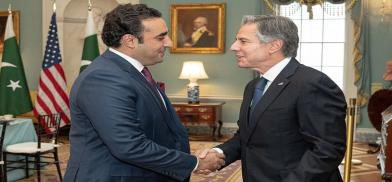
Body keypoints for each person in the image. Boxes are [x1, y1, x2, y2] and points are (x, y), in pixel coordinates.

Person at [63, 4, 224, 182]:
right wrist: (194, 163)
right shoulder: (103, 78)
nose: (169, 42)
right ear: (130, 41)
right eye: (161, 37)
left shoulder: (132, 71)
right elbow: (129, 146)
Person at [196, 15, 347, 182]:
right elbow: (247, 137)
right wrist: (218, 153)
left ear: (274, 45)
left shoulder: (312, 83)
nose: (233, 47)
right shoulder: (253, 86)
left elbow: (327, 151)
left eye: (243, 41)